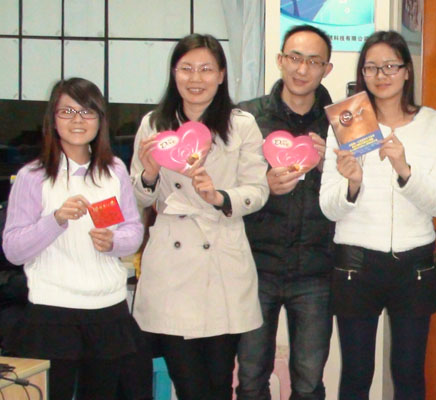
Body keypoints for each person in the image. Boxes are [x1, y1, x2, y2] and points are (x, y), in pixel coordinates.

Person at [130, 33, 269, 400]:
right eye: (186, 68)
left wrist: (219, 196)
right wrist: (149, 174)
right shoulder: (153, 124)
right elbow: (137, 197)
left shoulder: (241, 124)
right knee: (189, 384)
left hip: (222, 260)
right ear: (174, 73)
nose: (196, 78)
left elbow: (258, 191)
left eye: (206, 69)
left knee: (219, 383)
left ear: (221, 75)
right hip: (172, 268)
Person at [319, 31, 436, 399]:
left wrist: (404, 170)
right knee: (356, 373)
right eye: (371, 67)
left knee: (409, 373)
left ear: (407, 71)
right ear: (362, 73)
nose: (381, 75)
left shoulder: (435, 124)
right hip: (356, 263)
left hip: (414, 264)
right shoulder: (346, 122)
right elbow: (328, 206)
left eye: (390, 66)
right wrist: (352, 184)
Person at [2, 77, 148, 400]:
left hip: (108, 311)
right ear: (52, 119)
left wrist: (113, 242)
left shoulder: (114, 171)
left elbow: (133, 232)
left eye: (87, 111)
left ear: (100, 119)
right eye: (67, 111)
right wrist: (55, 220)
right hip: (52, 313)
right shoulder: (33, 176)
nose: (78, 120)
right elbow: (13, 250)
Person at [236, 25, 334, 400]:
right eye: (294, 58)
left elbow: (358, 192)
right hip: (256, 265)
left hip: (316, 269)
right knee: (250, 378)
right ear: (280, 60)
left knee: (309, 382)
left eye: (313, 61)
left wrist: (328, 169)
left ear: (326, 68)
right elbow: (229, 186)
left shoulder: (341, 123)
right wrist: (264, 186)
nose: (302, 69)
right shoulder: (246, 117)